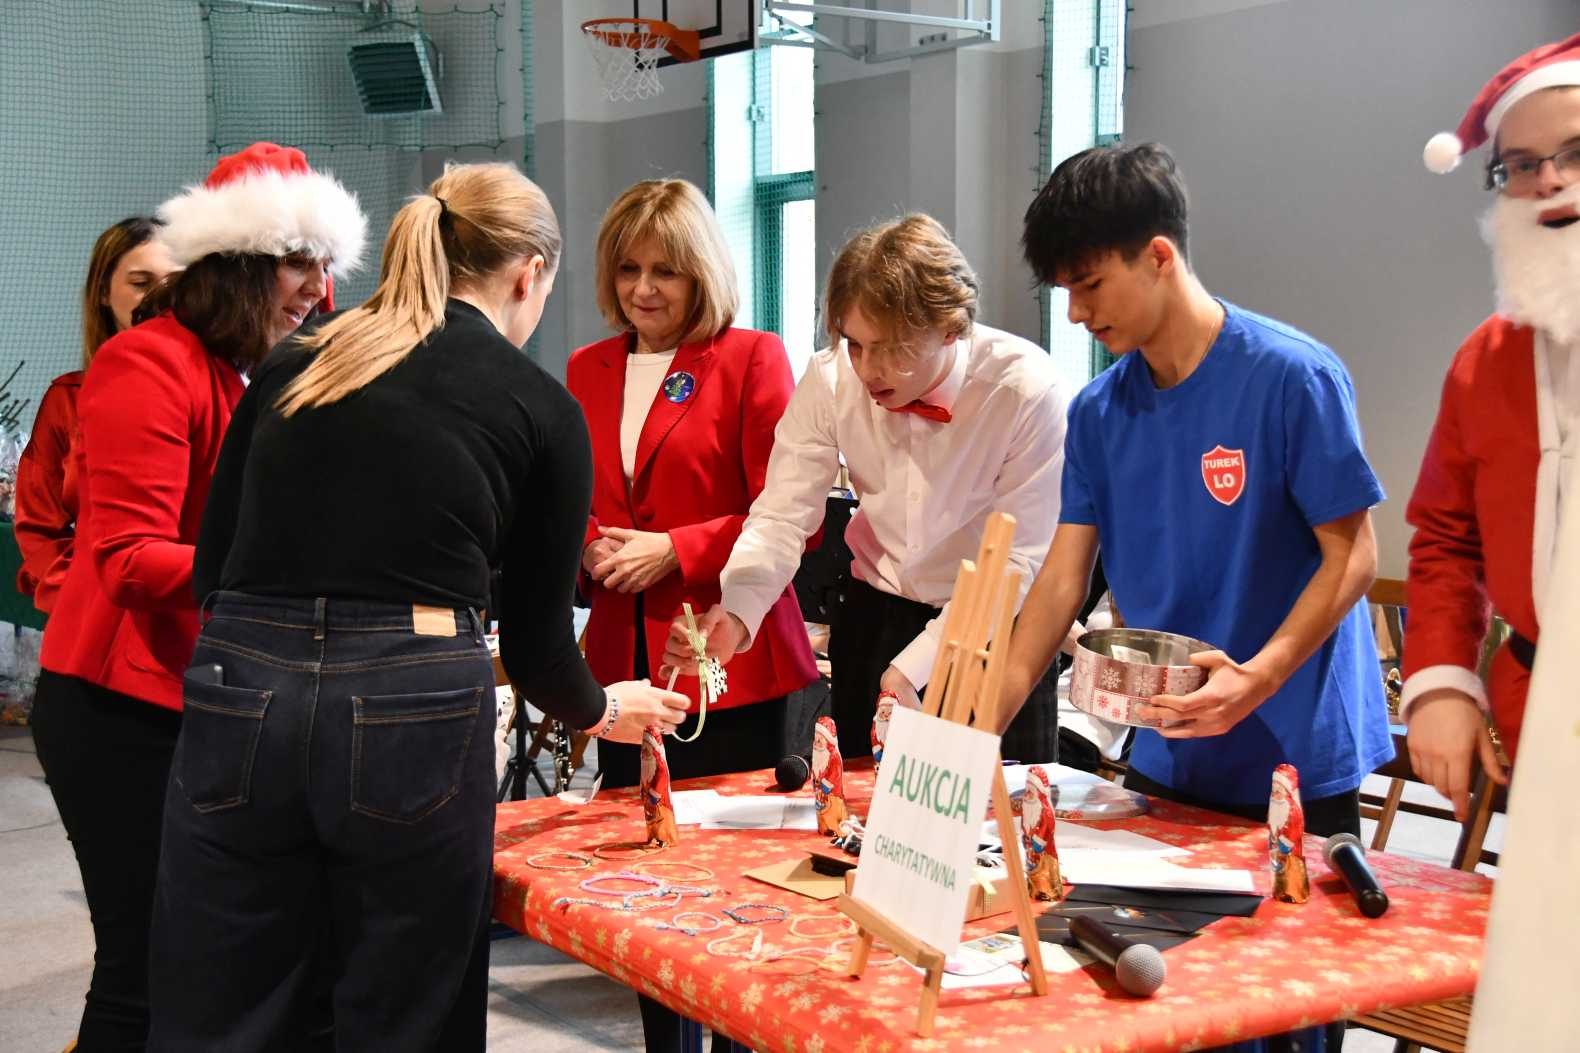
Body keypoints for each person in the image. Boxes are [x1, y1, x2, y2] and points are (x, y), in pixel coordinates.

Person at [146, 161, 689, 1052]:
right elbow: (540, 645)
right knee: (406, 1010)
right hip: (411, 698)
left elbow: (214, 567)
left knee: (225, 1000)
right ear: (530, 274)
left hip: (243, 687)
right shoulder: (540, 406)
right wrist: (602, 708)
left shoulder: (298, 359)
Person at [1002, 143, 1391, 1051]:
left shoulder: (1291, 377)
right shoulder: (1099, 413)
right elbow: (1061, 581)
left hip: (1295, 761)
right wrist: (975, 725)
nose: (1076, 311)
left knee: (1283, 1016)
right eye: (1064, 290)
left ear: (1158, 256)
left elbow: (1355, 556)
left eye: (1089, 284)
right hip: (1170, 757)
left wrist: (1258, 676)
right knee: (1158, 1015)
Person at [28, 142, 359, 1053]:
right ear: (239, 262)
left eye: (325, 265)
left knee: (207, 964)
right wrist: (290, 567)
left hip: (202, 698)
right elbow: (129, 559)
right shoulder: (149, 362)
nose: (317, 288)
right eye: (299, 262)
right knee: (141, 970)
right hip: (116, 707)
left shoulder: (254, 368)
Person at [664, 214, 1073, 763]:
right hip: (875, 617)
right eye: (855, 344)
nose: (869, 369)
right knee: (858, 805)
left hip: (997, 630)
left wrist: (916, 667)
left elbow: (1019, 561)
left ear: (951, 327)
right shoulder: (831, 377)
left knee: (1000, 808)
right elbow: (782, 514)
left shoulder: (1024, 388)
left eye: (893, 348)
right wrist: (738, 611)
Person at [567, 179, 816, 791]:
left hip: (724, 646)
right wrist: (590, 547)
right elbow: (574, 500)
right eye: (628, 269)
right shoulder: (586, 366)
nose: (642, 289)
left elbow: (790, 516)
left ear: (701, 274)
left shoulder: (752, 357)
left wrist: (677, 548)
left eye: (665, 271)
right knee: (630, 829)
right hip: (622, 661)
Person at [1404, 31, 1580, 819]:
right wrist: (1443, 682)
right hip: (1537, 717)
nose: (1552, 182)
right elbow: (1447, 537)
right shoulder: (1484, 361)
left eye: (1576, 153)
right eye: (1522, 165)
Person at [14, 217, 177, 615]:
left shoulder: (218, 394)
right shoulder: (67, 401)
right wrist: (77, 600)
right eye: (141, 283)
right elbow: (37, 527)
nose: (160, 300)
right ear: (103, 291)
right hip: (92, 619)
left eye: (175, 285)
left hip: (184, 617)